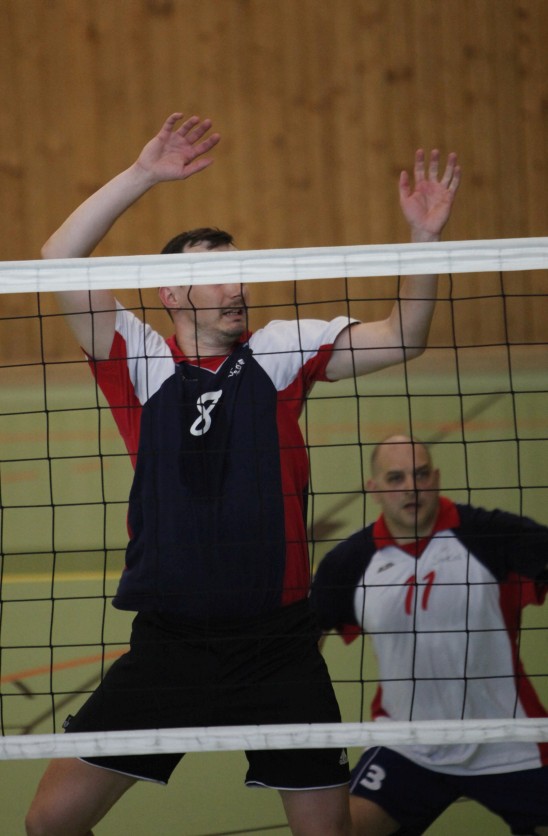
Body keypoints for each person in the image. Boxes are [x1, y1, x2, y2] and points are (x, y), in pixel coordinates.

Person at [25, 114, 460, 836]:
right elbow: (57, 254)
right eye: (212, 277)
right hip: (171, 644)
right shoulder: (140, 359)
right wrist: (144, 174)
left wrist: (424, 239)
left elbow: (405, 335)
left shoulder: (281, 350)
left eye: (237, 273)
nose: (235, 288)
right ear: (170, 295)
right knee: (50, 822)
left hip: (278, 644)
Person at [310, 434, 548, 836]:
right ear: (374, 488)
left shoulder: (490, 535)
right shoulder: (349, 563)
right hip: (408, 744)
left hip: (507, 738)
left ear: (436, 478)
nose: (412, 488)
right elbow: (302, 643)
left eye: (420, 475)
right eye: (396, 478)